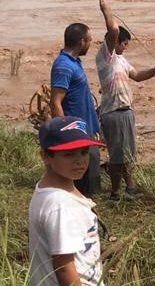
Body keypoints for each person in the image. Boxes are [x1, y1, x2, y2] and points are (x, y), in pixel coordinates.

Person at [95, 0, 155, 200]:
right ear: (115, 43)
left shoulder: (121, 59)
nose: (126, 47)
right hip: (113, 112)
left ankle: (129, 189)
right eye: (124, 44)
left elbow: (137, 76)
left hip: (125, 110)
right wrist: (106, 9)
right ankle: (115, 193)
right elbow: (114, 30)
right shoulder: (105, 55)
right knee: (118, 155)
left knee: (127, 153)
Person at [28, 116, 105, 286]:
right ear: (45, 156)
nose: (80, 161)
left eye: (84, 152)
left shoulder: (58, 188)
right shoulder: (60, 205)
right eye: (68, 154)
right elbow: (63, 267)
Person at [50, 22, 101, 197]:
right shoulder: (63, 65)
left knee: (91, 179)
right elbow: (56, 102)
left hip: (85, 130)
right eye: (90, 41)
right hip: (75, 133)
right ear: (81, 42)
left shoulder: (74, 62)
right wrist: (65, 136)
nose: (90, 44)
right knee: (81, 184)